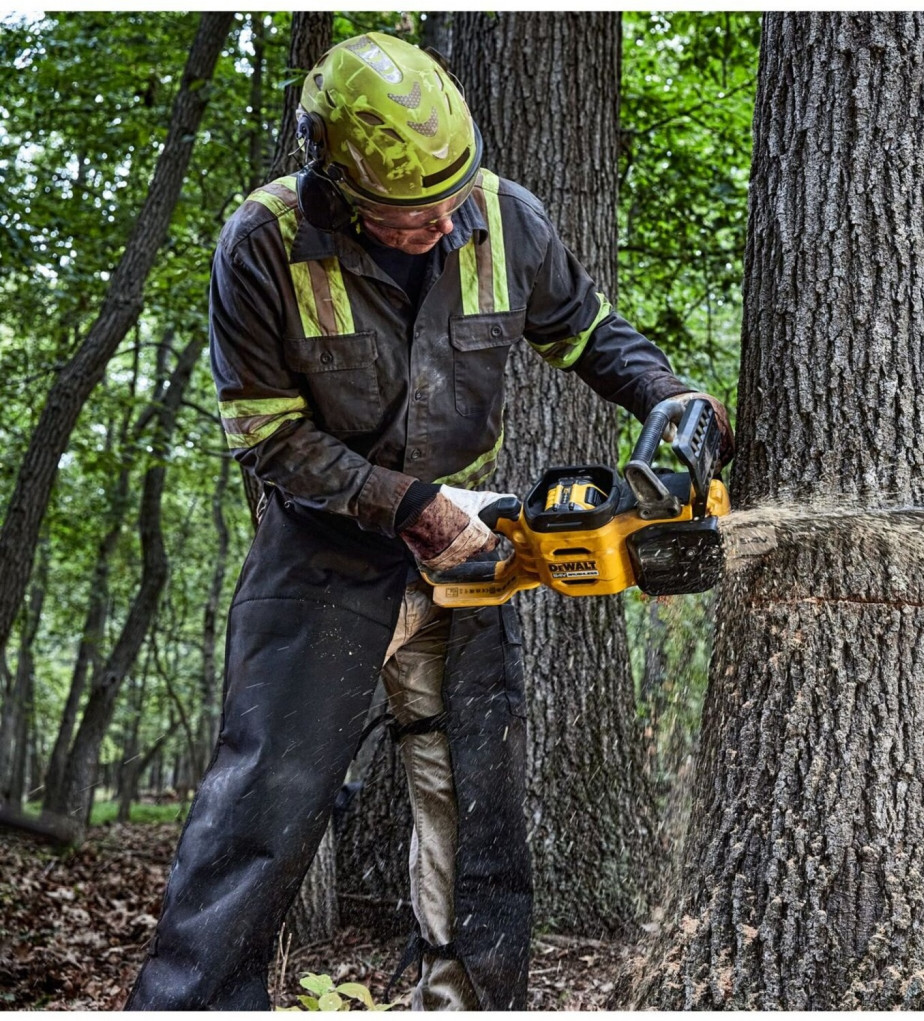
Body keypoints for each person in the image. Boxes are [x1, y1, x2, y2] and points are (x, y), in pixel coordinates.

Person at [125, 31, 731, 1011]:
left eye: (452, 192)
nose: (441, 219)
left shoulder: (505, 218)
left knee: (481, 805)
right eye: (411, 211)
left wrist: (672, 401)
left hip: (478, 544)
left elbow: (588, 331)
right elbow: (270, 438)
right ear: (336, 184)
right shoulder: (266, 244)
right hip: (323, 549)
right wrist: (410, 508)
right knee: (263, 805)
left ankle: (474, 997)